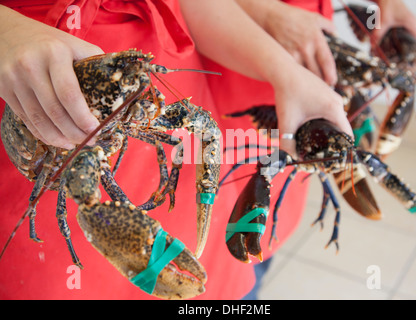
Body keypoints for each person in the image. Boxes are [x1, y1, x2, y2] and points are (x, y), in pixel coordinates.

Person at [0, 0, 351, 300]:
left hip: (141, 85)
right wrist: (7, 31)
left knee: (208, 270)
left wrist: (288, 75)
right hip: (31, 99)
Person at [191, 0, 416, 299]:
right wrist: (270, 14)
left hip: (305, 38)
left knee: (273, 207)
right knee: (220, 210)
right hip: (234, 38)